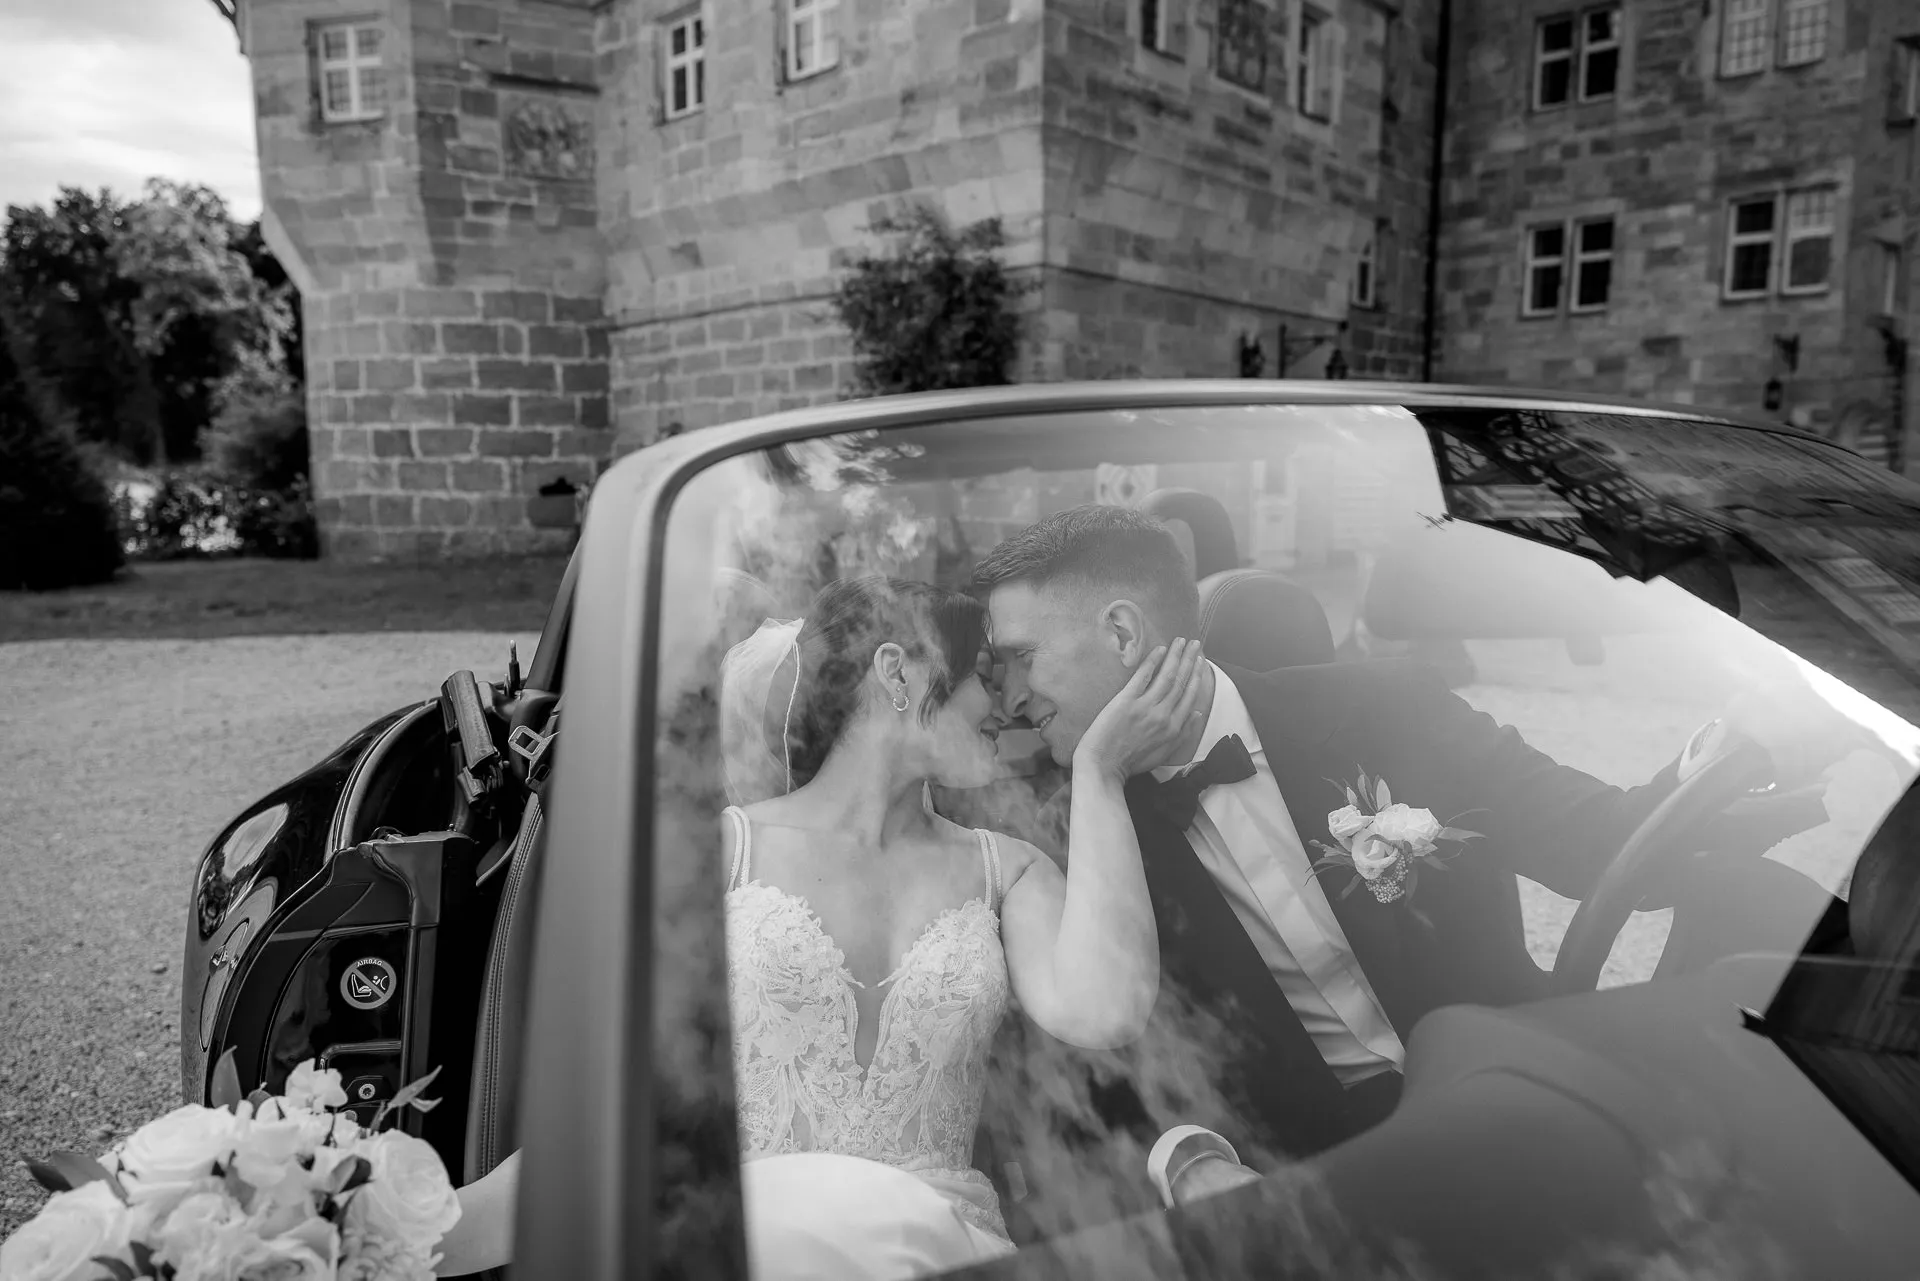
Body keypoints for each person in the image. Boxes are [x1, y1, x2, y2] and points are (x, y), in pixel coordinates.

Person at [970, 504, 1855, 1213]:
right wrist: (1190, 1160)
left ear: (1123, 633)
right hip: (1325, 1190)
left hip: (1533, 1101)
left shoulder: (1385, 708)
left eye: (1017, 658)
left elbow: (1600, 840)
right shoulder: (1071, 842)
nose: (1006, 696)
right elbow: (1091, 1091)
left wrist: (1742, 751)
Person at [438, 575, 1209, 1278]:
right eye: (987, 672)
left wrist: (1100, 774)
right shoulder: (720, 857)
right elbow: (600, 1130)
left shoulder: (1008, 871)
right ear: (896, 671)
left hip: (946, 1252)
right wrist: (385, 1227)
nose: (1012, 703)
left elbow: (1104, 1010)